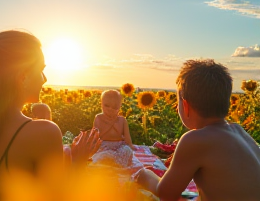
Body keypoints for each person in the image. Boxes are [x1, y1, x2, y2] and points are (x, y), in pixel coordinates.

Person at [0, 30, 101, 201]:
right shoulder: (43, 131)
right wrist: (78, 161)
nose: (45, 79)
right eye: (40, 70)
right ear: (22, 77)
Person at [135, 59, 260, 201]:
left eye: (178, 103)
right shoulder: (240, 132)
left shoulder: (194, 140)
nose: (177, 107)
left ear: (186, 106)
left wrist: (146, 176)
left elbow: (166, 194)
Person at [92, 90, 138, 168]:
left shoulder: (122, 120)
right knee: (102, 155)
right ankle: (109, 161)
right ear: (101, 105)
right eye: (107, 105)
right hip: (104, 145)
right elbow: (95, 135)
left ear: (119, 108)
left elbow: (127, 137)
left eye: (115, 107)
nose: (110, 109)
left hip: (119, 146)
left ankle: (116, 162)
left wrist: (130, 145)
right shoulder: (99, 118)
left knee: (127, 151)